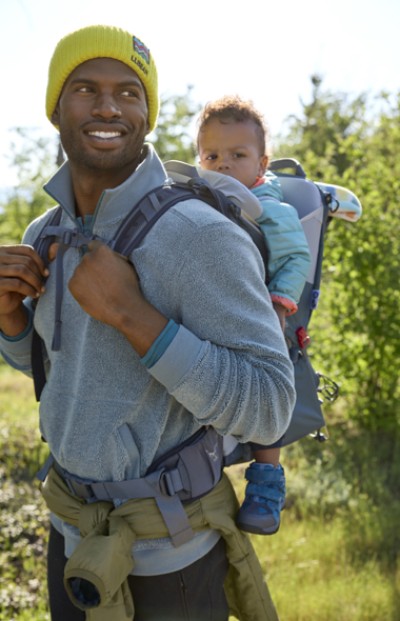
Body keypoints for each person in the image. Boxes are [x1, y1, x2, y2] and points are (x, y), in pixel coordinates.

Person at [0, 25, 296, 621]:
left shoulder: (197, 235)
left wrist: (135, 317)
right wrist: (10, 319)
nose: (108, 106)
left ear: (147, 116)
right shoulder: (44, 234)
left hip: (171, 555)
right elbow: (59, 370)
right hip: (70, 533)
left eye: (129, 93)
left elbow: (270, 406)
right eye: (85, 88)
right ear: (55, 108)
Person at [197, 95, 311, 536]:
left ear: (261, 164)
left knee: (267, 397)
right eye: (212, 155)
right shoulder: (197, 199)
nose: (223, 165)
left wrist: (280, 303)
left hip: (263, 316)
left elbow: (295, 258)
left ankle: (265, 484)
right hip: (212, 312)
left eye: (237, 156)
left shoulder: (270, 209)